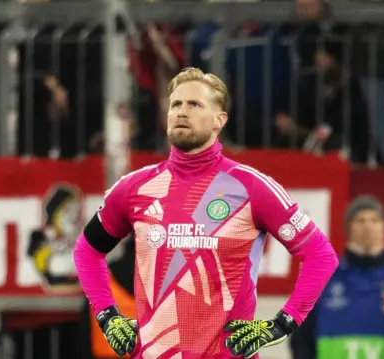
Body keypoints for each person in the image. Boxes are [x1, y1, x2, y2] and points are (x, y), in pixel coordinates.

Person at [72, 67, 339, 359]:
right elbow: (87, 251)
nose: (181, 112)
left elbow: (320, 255)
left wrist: (284, 322)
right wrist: (107, 316)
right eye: (176, 104)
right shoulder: (134, 187)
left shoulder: (251, 187)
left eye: (194, 104)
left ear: (219, 120)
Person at [290, 196, 384, 359]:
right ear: (348, 228)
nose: (368, 226)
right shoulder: (323, 277)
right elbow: (302, 339)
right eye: (360, 220)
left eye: (375, 220)